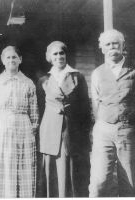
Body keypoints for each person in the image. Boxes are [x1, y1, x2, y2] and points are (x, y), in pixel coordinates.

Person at [0, 46, 39, 198]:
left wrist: (31, 131)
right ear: (3, 61)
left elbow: (34, 113)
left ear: (20, 60)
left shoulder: (28, 83)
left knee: (20, 168)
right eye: (8, 57)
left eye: (14, 57)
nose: (11, 60)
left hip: (22, 131)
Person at [37, 41, 91, 197]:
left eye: (62, 53)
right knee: (52, 170)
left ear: (66, 55)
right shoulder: (44, 80)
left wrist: (83, 133)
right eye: (55, 54)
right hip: (50, 130)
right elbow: (40, 108)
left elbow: (85, 107)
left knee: (72, 169)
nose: (59, 56)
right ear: (49, 57)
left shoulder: (77, 77)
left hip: (71, 131)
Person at [89, 29, 135, 197]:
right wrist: (100, 126)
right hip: (104, 130)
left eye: (116, 43)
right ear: (102, 48)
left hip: (128, 131)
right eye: (108, 44)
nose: (112, 47)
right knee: (99, 182)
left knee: (129, 181)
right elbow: (95, 103)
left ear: (122, 45)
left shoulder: (133, 70)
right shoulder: (97, 73)